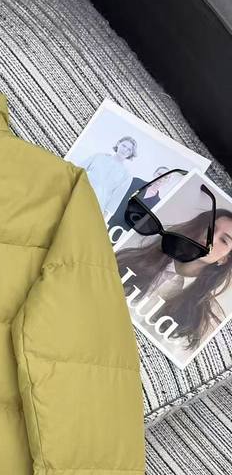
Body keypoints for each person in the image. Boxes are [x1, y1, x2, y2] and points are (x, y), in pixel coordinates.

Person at [116, 208, 232, 361]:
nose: (211, 238)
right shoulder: (136, 258)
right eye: (211, 228)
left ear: (224, 259)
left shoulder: (206, 319)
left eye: (224, 241)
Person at [78, 136, 137, 222]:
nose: (125, 150)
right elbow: (78, 171)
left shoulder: (127, 175)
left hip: (97, 205)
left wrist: (102, 217)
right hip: (79, 194)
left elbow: (116, 198)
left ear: (131, 154)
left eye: (129, 150)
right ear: (118, 144)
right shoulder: (99, 156)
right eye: (124, 146)